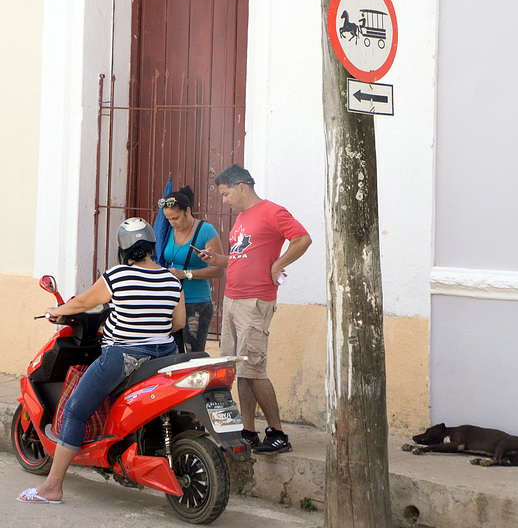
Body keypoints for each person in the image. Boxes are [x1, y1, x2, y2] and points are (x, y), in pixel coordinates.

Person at [17, 217, 185, 504]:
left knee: (74, 411)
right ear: (151, 246)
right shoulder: (172, 279)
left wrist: (56, 310)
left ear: (124, 249)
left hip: (123, 357)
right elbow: (178, 322)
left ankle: (52, 487)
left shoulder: (118, 276)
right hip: (164, 357)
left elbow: (83, 303)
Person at [199, 164, 311, 455]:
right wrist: (217, 258)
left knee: (254, 369)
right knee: (238, 369)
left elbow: (302, 238)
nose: (224, 201)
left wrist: (278, 264)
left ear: (241, 187)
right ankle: (248, 431)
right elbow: (238, 259)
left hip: (256, 302)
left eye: (225, 194)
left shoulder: (272, 211)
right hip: (232, 300)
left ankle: (278, 433)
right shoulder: (241, 220)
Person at [158, 185, 224, 352]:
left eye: (176, 218)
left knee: (194, 354)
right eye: (168, 219)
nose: (172, 223)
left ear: (187, 211)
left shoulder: (206, 231)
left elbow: (219, 270)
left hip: (196, 302)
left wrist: (186, 274)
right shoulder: (167, 231)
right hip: (171, 301)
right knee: (172, 354)